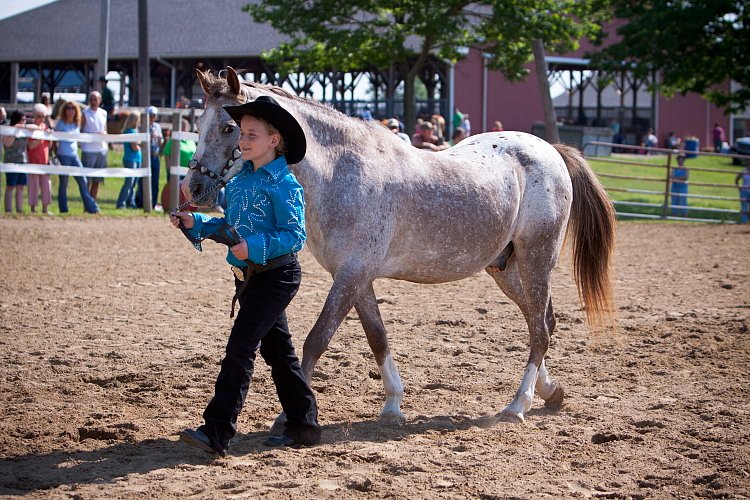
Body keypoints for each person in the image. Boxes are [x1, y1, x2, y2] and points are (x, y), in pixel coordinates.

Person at [170, 95, 321, 456]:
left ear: (274, 140)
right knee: (279, 354)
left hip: (277, 276)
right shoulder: (238, 182)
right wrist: (198, 223)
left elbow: (294, 235)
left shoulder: (285, 184)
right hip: (248, 278)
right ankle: (303, 424)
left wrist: (253, 247)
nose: (244, 140)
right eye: (242, 134)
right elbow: (229, 226)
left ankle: (217, 430)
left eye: (252, 134)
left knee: (240, 347)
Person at [54, 101, 99, 214]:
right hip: (63, 155)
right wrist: (56, 153)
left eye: (73, 108)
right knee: (64, 183)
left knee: (83, 180)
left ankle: (91, 207)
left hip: (74, 155)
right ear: (64, 110)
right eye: (68, 108)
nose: (70, 110)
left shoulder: (76, 124)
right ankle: (63, 209)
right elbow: (54, 139)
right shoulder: (60, 123)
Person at [80, 91, 108, 201]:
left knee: (97, 180)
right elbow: (81, 130)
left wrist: (104, 134)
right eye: (91, 99)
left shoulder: (103, 113)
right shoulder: (85, 113)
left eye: (95, 99)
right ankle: (86, 203)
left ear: (99, 100)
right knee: (87, 179)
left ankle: (93, 202)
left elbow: (105, 128)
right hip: (89, 149)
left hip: (101, 149)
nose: (93, 102)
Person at [27, 103, 53, 215]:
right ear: (34, 116)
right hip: (33, 161)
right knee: (34, 186)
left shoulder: (45, 128)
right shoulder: (30, 128)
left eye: (43, 116)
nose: (41, 119)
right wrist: (42, 136)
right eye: (38, 116)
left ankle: (45, 209)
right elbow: (30, 146)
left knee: (46, 185)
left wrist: (49, 136)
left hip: (44, 161)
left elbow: (50, 145)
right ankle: (33, 209)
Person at [135, 106, 163, 210]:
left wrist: (160, 139)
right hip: (145, 157)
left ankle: (153, 203)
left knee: (155, 181)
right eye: (150, 116)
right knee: (143, 181)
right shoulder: (141, 127)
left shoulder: (157, 126)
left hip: (155, 156)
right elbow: (138, 142)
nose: (152, 117)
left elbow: (161, 141)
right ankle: (141, 202)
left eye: (153, 116)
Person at [2, 110, 28, 213]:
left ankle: (19, 210)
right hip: (11, 161)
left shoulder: (24, 131)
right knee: (10, 186)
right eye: (22, 120)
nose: (24, 122)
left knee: (20, 186)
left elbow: (35, 127)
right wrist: (15, 131)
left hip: (22, 161)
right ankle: (8, 210)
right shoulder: (8, 129)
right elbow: (7, 144)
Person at [115, 111, 141, 209]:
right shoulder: (130, 131)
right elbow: (134, 147)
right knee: (129, 182)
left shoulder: (133, 131)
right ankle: (121, 203)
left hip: (136, 159)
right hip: (131, 159)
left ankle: (131, 202)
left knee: (134, 183)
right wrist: (140, 146)